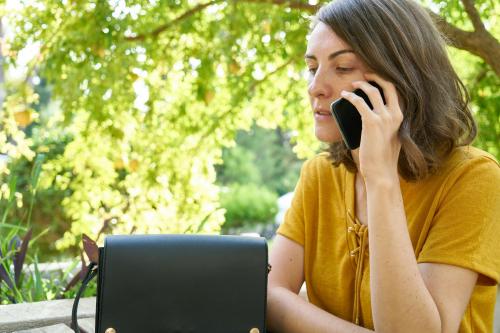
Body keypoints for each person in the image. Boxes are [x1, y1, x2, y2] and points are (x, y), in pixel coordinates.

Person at [266, 0, 500, 332]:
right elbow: (270, 293)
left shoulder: (474, 178)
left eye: (343, 67)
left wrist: (380, 179)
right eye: (312, 67)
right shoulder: (319, 175)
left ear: (399, 79)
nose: (315, 86)